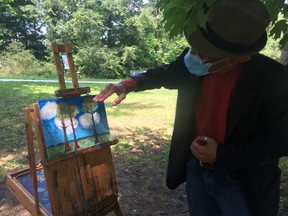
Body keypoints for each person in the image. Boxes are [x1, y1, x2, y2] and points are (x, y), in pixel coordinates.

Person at [94, 0, 288, 215]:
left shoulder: (273, 78)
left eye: (206, 53)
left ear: (237, 59)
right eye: (195, 48)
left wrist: (222, 155)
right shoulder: (196, 59)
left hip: (243, 182)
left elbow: (281, 140)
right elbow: (165, 72)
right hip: (196, 171)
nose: (194, 55)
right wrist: (128, 84)